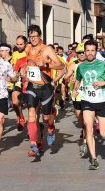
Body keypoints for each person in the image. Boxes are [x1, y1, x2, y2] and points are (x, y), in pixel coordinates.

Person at [73, 40, 105, 170]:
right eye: (88, 50)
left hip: (102, 102)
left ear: (96, 51)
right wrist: (75, 89)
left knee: (103, 134)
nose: (90, 53)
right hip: (87, 101)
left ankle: (98, 129)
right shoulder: (81, 67)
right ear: (85, 52)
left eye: (92, 50)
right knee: (88, 126)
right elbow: (78, 80)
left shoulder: (103, 65)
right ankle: (94, 159)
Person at [25, 24, 64, 157]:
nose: (33, 39)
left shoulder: (47, 49)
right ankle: (34, 144)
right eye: (31, 37)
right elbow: (28, 63)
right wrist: (24, 70)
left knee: (46, 118)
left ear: (40, 36)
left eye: (35, 36)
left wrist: (46, 64)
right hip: (32, 86)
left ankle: (51, 127)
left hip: (45, 87)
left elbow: (61, 65)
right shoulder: (28, 48)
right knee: (31, 114)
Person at [64, 42, 87, 157]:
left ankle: (86, 140)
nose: (82, 54)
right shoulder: (73, 64)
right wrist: (69, 79)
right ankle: (84, 129)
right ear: (76, 54)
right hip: (77, 94)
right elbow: (66, 77)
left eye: (83, 52)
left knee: (87, 119)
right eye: (79, 53)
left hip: (88, 95)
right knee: (80, 118)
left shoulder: (91, 63)